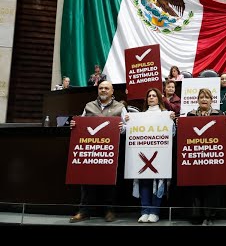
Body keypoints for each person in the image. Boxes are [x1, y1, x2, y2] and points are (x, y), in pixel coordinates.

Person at [69, 81, 127, 223]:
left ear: (112, 91)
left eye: (106, 88)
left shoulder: (120, 107)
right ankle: (84, 211)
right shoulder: (89, 106)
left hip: (110, 151)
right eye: (101, 88)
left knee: (110, 182)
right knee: (86, 181)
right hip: (91, 151)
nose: (103, 90)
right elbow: (81, 124)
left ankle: (109, 210)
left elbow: (127, 127)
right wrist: (74, 125)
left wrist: (122, 128)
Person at [132, 88, 176, 223]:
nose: (151, 98)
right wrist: (129, 121)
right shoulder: (139, 115)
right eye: (149, 96)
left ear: (158, 98)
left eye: (154, 95)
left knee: (158, 182)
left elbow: (173, 134)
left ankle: (155, 211)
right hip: (143, 152)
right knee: (144, 181)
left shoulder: (166, 114)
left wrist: (171, 121)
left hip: (160, 153)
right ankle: (145, 211)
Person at [186, 88, 226, 225]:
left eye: (207, 97)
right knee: (195, 186)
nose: (204, 99)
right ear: (197, 99)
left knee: (212, 186)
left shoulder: (219, 114)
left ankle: (210, 215)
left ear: (211, 100)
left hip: (212, 156)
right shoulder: (190, 115)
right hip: (195, 156)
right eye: (201, 97)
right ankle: (196, 215)